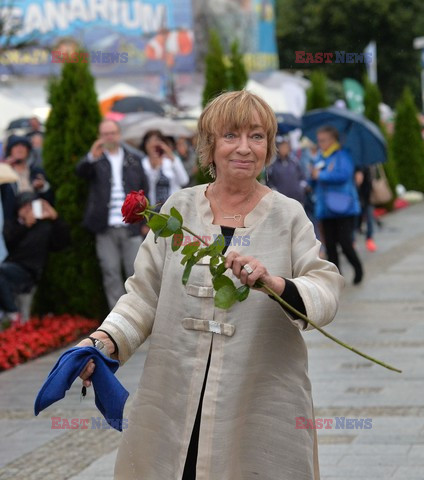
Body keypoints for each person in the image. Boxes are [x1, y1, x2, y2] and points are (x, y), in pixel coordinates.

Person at [75, 91, 343, 479]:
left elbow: (325, 286)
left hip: (258, 395)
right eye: (231, 135)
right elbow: (143, 295)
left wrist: (275, 283)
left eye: (257, 136)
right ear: (210, 145)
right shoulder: (178, 210)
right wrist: (103, 342)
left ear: (268, 146)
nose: (245, 148)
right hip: (176, 391)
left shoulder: (288, 215)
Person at [76, 119, 149, 310]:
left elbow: (145, 189)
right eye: (105, 133)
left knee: (135, 273)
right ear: (100, 137)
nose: (109, 137)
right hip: (105, 226)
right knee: (110, 273)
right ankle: (116, 319)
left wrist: (146, 220)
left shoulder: (134, 158)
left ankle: (137, 315)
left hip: (131, 226)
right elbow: (80, 173)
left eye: (112, 133)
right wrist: (91, 156)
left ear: (119, 134)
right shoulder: (96, 159)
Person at [0, 192, 70, 327]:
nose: (28, 209)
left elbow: (62, 243)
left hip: (29, 272)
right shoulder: (13, 225)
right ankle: (12, 313)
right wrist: (25, 225)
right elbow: (9, 241)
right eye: (24, 206)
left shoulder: (44, 226)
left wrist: (55, 218)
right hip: (11, 268)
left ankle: (13, 314)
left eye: (31, 205)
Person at [311, 125, 363, 284]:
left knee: (345, 243)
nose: (320, 143)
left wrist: (321, 175)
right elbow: (314, 179)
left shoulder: (343, 154)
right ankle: (337, 278)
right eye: (319, 140)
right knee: (331, 246)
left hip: (344, 208)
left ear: (333, 139)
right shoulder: (320, 156)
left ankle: (358, 269)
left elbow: (344, 174)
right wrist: (312, 178)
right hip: (326, 209)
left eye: (323, 140)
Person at [2, 135, 54, 219]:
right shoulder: (5, 172)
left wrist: (43, 187)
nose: (19, 149)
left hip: (38, 216)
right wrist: (5, 168)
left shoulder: (37, 172)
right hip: (13, 220)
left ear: (28, 151)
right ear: (10, 151)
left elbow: (50, 199)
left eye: (23, 146)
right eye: (16, 146)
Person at [140, 130, 189, 209]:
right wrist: (155, 167)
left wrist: (171, 155)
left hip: (173, 207)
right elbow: (146, 186)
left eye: (157, 141)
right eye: (150, 142)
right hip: (154, 208)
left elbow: (184, 180)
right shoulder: (143, 163)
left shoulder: (170, 161)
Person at [266, 137, 307, 204]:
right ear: (278, 148)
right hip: (281, 202)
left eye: (286, 147)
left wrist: (300, 188)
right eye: (282, 147)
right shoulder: (273, 165)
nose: (284, 149)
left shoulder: (294, 162)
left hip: (297, 200)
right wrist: (275, 193)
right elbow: (269, 182)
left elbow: (302, 177)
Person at [355, 166, 377, 252]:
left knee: (369, 219)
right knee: (355, 221)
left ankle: (369, 238)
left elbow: (370, 182)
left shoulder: (366, 165)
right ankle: (352, 240)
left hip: (366, 197)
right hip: (355, 198)